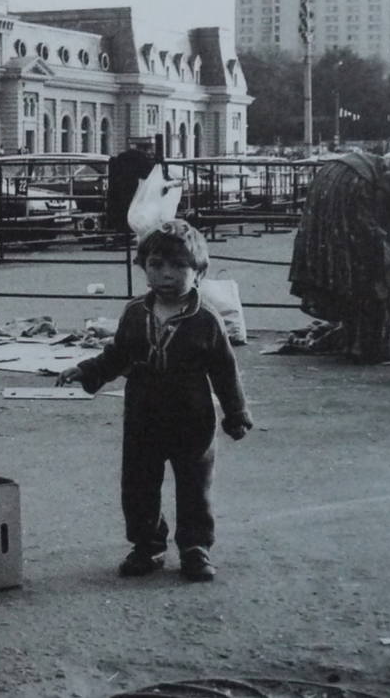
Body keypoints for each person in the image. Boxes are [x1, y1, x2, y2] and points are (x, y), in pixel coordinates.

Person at [56, 219, 252, 582]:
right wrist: (87, 370)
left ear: (200, 271)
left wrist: (236, 412)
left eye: (179, 266)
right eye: (157, 265)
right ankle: (148, 545)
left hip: (192, 419)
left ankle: (196, 548)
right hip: (143, 416)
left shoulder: (206, 320)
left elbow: (225, 369)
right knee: (139, 484)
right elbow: (117, 356)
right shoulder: (135, 314)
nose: (167, 275)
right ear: (143, 268)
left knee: (194, 486)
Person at [287, 152, 390, 363]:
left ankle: (356, 343)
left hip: (331, 178)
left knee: (347, 265)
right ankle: (368, 347)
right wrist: (379, 231)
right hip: (352, 182)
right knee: (374, 270)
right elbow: (387, 188)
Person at [106, 138, 156, 237]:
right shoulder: (138, 159)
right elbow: (145, 174)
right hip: (128, 189)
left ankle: (119, 233)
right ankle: (125, 233)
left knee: (119, 211)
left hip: (118, 190)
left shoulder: (121, 161)